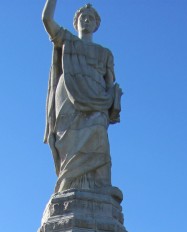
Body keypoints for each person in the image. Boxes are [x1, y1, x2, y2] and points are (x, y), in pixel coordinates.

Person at [42, 1, 122, 195]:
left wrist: (114, 97)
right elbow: (47, 19)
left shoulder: (105, 54)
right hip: (69, 95)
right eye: (82, 18)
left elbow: (109, 83)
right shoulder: (68, 41)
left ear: (96, 24)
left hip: (97, 98)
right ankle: (68, 186)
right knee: (69, 140)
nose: (86, 21)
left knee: (99, 135)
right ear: (76, 22)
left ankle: (101, 186)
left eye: (91, 18)